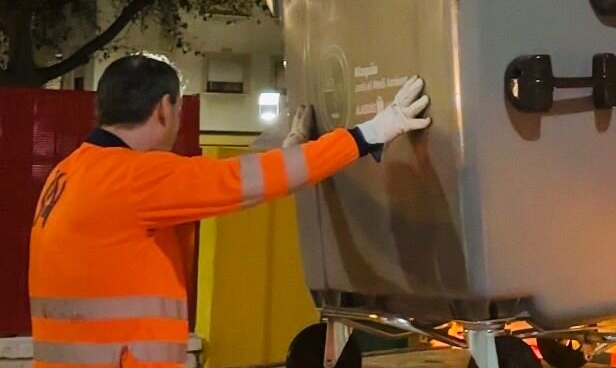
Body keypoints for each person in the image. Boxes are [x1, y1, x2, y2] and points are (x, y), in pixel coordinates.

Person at [28, 53, 430, 368]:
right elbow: (239, 183)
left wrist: (287, 153)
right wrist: (369, 134)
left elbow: (229, 178)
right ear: (164, 109)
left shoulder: (71, 172)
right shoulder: (135, 177)